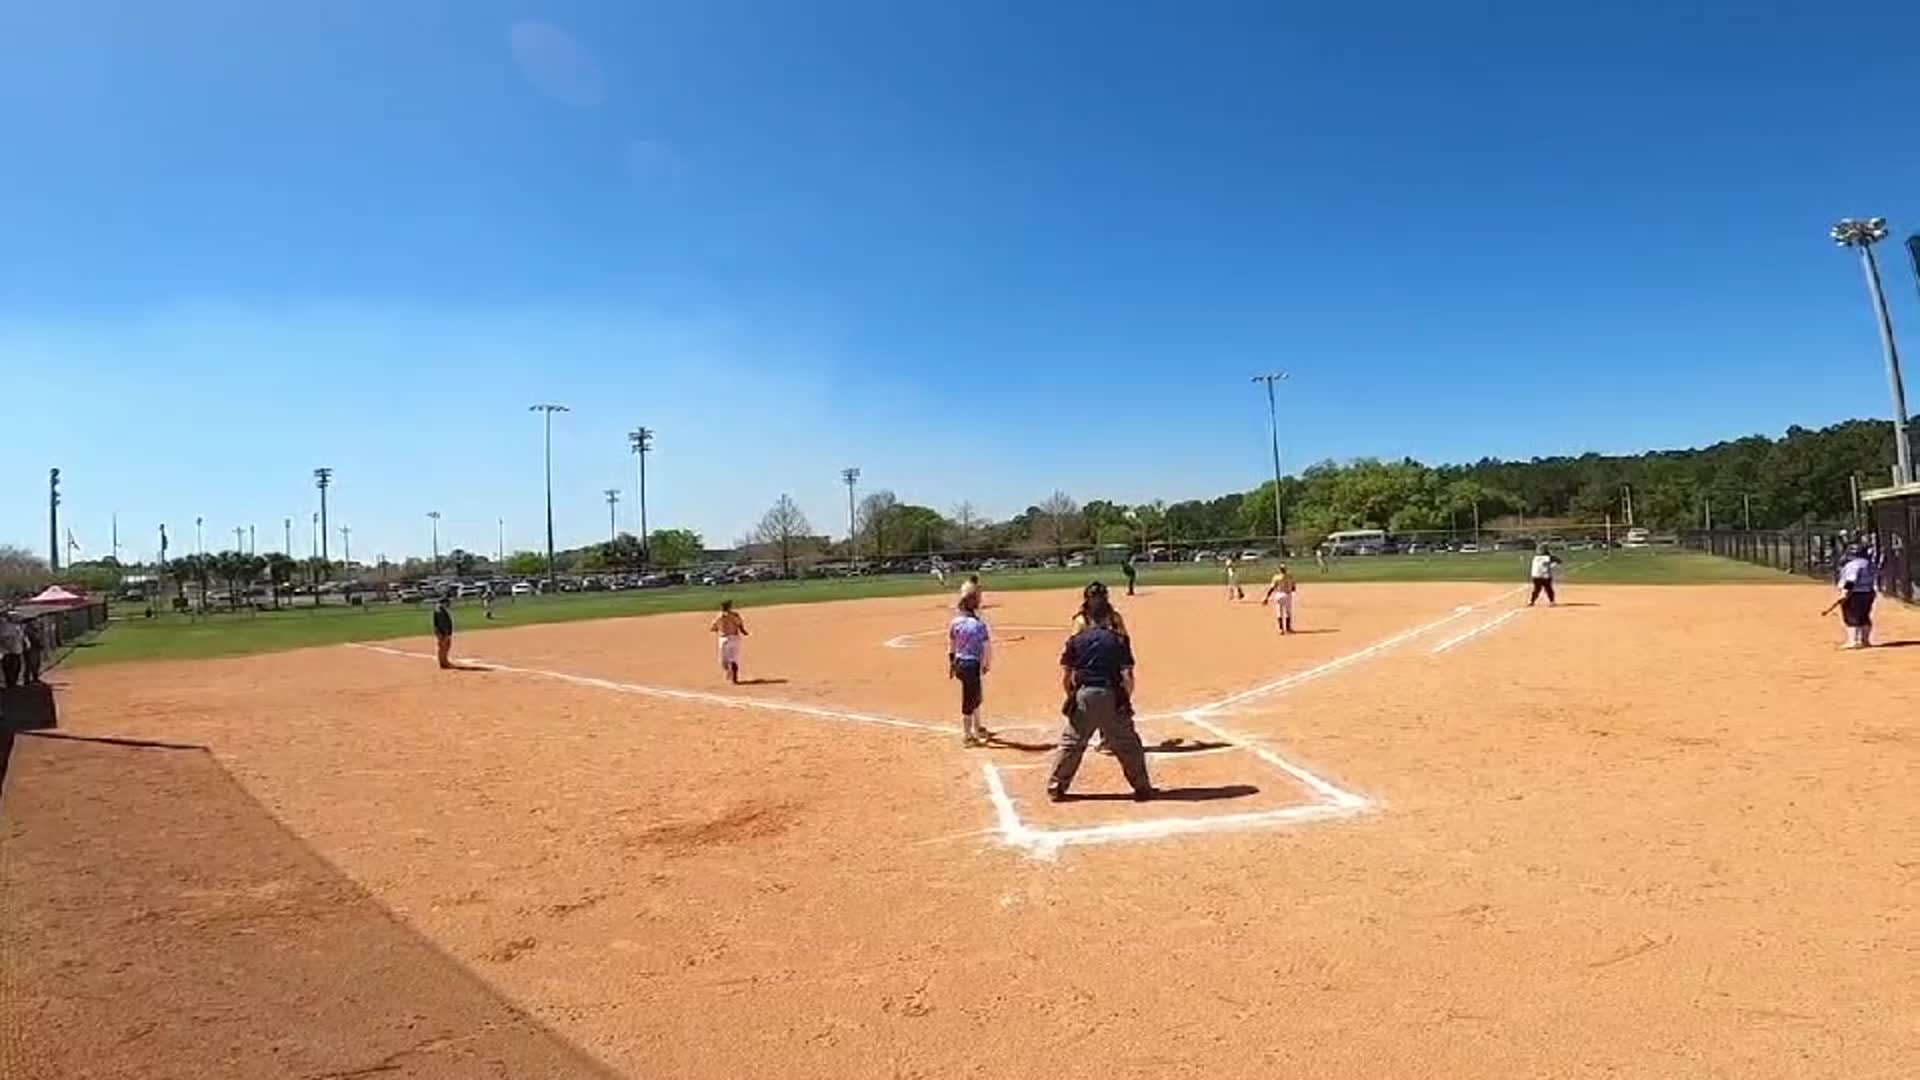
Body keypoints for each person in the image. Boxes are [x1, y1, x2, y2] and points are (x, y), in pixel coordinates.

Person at [1047, 613, 1154, 802]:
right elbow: (1127, 675)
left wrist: (1071, 696)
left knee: (1071, 743)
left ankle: (1056, 786)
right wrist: (1125, 699)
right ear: (1106, 618)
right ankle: (1142, 787)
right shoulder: (1118, 640)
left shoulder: (1076, 640)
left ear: (1088, 620)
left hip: (1084, 694)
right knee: (1128, 744)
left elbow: (1067, 675)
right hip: (1111, 694)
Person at [948, 590, 994, 746]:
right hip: (972, 665)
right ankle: (968, 736)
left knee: (976, 695)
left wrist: (952, 663)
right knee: (970, 698)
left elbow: (952, 646)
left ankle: (977, 727)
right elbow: (986, 647)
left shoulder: (955, 623)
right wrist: (986, 664)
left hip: (961, 663)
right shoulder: (979, 625)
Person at [1836, 543, 1877, 649]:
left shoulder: (1853, 565)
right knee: (1864, 616)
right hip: (1868, 592)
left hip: (1855, 594)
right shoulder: (1869, 563)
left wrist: (1844, 593)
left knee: (1851, 616)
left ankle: (1852, 641)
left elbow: (1851, 580)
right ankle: (1865, 640)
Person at [711, 599, 748, 683]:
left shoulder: (719, 616)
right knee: (734, 658)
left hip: (724, 639)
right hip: (735, 638)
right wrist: (744, 631)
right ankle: (734, 676)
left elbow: (713, 628)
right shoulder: (735, 615)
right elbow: (740, 625)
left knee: (723, 660)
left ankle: (729, 671)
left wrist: (718, 628)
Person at [1262, 563, 1298, 634]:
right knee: (1288, 612)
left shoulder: (1276, 577)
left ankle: (1281, 629)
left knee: (1279, 612)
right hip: (1287, 594)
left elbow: (1272, 588)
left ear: (1279, 570)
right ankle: (1288, 628)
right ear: (1286, 569)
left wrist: (1267, 596)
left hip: (1279, 594)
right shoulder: (1290, 576)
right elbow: (1294, 588)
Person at [0, 617, 26, 689]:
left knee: (15, 668)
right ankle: (9, 683)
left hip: (15, 652)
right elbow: (5, 639)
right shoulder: (5, 627)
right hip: (7, 652)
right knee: (9, 669)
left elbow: (21, 637)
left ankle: (12, 683)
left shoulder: (17, 627)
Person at [432, 596, 455, 669]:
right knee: (443, 647)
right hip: (442, 632)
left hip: (441, 631)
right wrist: (446, 633)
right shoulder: (440, 610)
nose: (448, 604)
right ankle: (443, 663)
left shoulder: (439, 609)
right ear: (443, 603)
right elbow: (443, 623)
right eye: (447, 602)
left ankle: (444, 661)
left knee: (444, 647)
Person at [22, 618, 45, 683]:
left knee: (36, 664)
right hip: (30, 649)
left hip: (35, 648)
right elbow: (31, 639)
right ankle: (27, 680)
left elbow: (37, 638)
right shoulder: (27, 629)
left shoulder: (35, 629)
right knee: (30, 664)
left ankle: (35, 678)